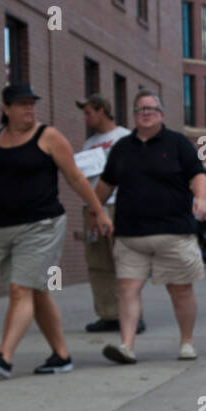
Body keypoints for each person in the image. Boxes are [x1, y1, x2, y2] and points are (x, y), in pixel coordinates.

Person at [0, 83, 112, 378]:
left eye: (32, 103)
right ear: (6, 109)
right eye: (22, 104)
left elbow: (75, 178)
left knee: (20, 288)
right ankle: (61, 356)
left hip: (42, 225)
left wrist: (98, 211)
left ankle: (4, 357)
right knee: (36, 293)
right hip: (5, 227)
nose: (29, 109)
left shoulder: (48, 136)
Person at [94, 88, 206, 363]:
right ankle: (127, 346)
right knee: (126, 290)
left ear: (161, 114)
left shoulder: (178, 143)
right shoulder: (122, 148)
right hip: (131, 235)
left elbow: (197, 174)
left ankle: (186, 342)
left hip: (173, 232)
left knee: (180, 290)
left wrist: (201, 199)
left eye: (150, 109)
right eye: (140, 109)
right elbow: (106, 185)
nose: (145, 114)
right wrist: (96, 211)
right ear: (133, 115)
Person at [75, 93, 143, 335]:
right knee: (98, 263)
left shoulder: (124, 137)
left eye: (88, 112)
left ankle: (134, 315)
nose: (86, 118)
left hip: (119, 205)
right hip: (93, 208)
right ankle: (108, 313)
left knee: (125, 261)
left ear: (102, 110)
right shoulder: (88, 143)